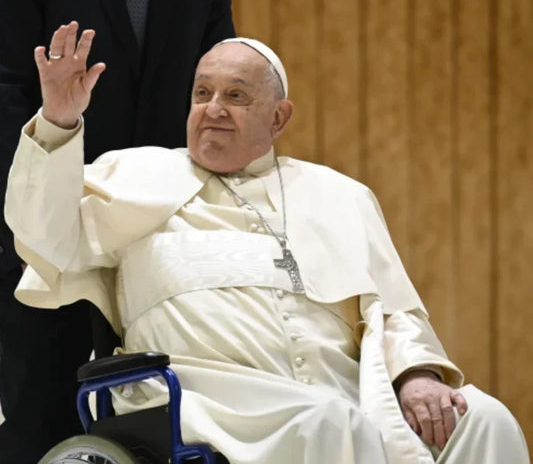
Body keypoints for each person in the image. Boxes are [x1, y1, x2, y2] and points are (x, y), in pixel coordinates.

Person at [5, 26, 530, 464]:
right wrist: (58, 121)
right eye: (202, 93)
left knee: (481, 420)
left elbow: (393, 310)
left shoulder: (339, 194)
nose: (213, 108)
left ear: (278, 118)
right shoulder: (132, 173)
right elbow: (43, 237)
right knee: (328, 423)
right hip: (205, 395)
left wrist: (415, 376)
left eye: (236, 96)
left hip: (346, 390)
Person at [0, 0, 235, 461]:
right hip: (47, 224)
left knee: (155, 417)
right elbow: (6, 88)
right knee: (40, 410)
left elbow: (220, 75)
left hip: (159, 228)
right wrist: (17, 216)